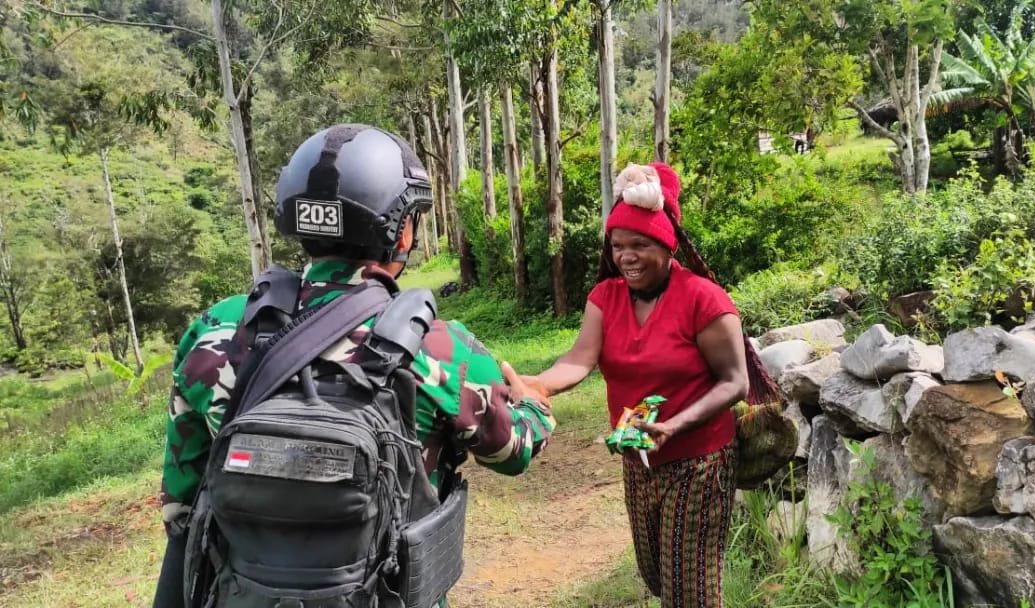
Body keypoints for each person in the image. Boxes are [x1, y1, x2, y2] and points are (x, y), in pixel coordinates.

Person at [153, 124, 554, 607]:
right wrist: (533, 407)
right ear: (402, 228)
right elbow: (512, 452)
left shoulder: (216, 330)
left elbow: (183, 492)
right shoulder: (440, 348)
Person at [515, 161, 777, 608]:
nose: (626, 256)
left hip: (700, 462)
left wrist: (674, 426)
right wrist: (538, 384)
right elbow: (580, 359)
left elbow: (734, 382)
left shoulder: (703, 299)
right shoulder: (606, 297)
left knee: (690, 591)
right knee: (658, 575)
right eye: (618, 245)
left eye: (639, 244)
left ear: (667, 244)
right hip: (638, 457)